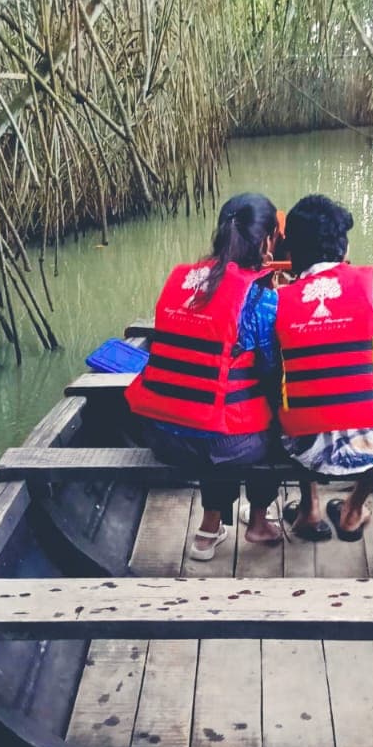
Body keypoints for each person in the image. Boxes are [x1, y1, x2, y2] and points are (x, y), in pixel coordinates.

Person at [126, 193, 282, 559]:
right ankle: (258, 521)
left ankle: (208, 529)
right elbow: (273, 372)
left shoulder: (182, 279)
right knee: (272, 425)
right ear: (266, 241)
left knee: (216, 419)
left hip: (160, 435)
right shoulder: (261, 301)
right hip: (223, 446)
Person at [274, 194, 373, 541]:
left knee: (289, 398)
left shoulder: (277, 301)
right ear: (344, 246)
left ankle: (309, 509)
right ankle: (353, 510)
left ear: (290, 251)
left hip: (304, 449)